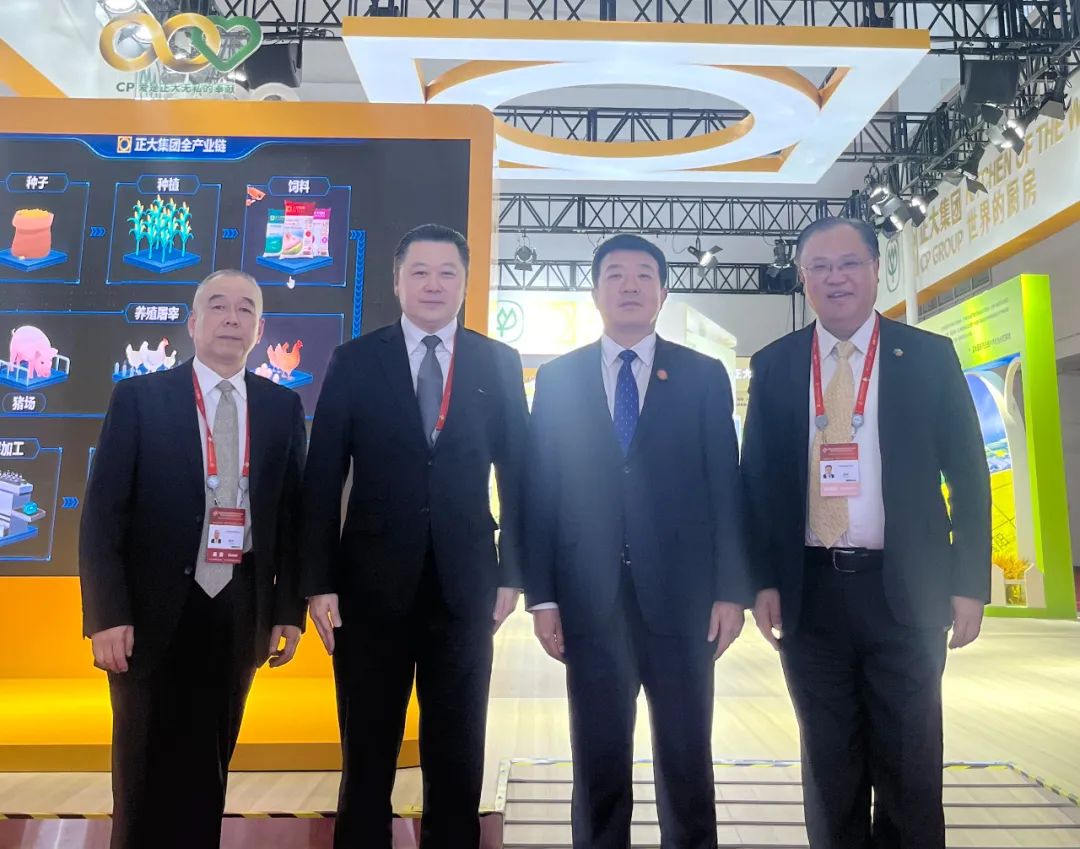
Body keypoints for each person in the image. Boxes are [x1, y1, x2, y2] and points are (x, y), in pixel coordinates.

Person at [741, 217, 991, 849]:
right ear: (802, 278)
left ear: (877, 270)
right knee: (830, 768)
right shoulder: (775, 365)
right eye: (819, 267)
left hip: (907, 591)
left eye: (849, 263)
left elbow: (968, 474)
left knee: (910, 764)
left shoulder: (927, 356)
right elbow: (758, 485)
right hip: (811, 595)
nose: (836, 278)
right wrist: (761, 582)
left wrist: (969, 583)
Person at [300, 223, 529, 848]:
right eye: (420, 272)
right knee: (366, 750)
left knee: (458, 750)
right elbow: (322, 476)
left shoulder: (497, 362)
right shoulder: (355, 359)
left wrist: (513, 571)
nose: (434, 284)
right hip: (368, 589)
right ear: (397, 282)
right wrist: (318, 581)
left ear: (465, 283)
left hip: (466, 586)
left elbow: (520, 475)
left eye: (447, 272)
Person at [523, 233, 750, 849]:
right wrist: (543, 597)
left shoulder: (702, 375)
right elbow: (541, 491)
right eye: (616, 275)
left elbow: (726, 487)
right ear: (595, 292)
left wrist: (731, 591)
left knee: (687, 756)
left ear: (663, 292)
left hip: (684, 601)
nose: (630, 285)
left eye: (644, 275)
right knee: (597, 758)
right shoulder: (560, 378)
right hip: (589, 600)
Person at [79, 269, 307, 849]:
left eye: (245, 309)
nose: (232, 318)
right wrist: (106, 616)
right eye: (218, 306)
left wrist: (288, 612)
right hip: (148, 616)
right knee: (141, 773)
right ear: (193, 322)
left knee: (209, 773)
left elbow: (292, 520)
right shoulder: (140, 398)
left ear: (260, 329)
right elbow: (103, 515)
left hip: (238, 611)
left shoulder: (282, 408)